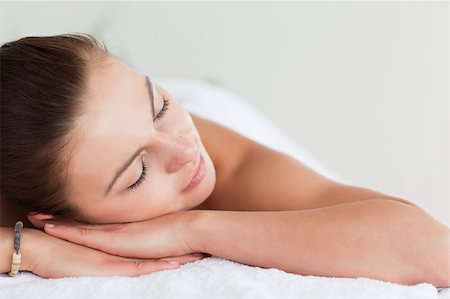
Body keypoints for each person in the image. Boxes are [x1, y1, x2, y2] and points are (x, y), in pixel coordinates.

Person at [0, 33, 448, 286]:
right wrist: (29, 250)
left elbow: (433, 249)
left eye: (158, 105)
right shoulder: (29, 187)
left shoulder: (208, 151)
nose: (184, 150)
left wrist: (189, 227)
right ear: (49, 216)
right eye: (137, 173)